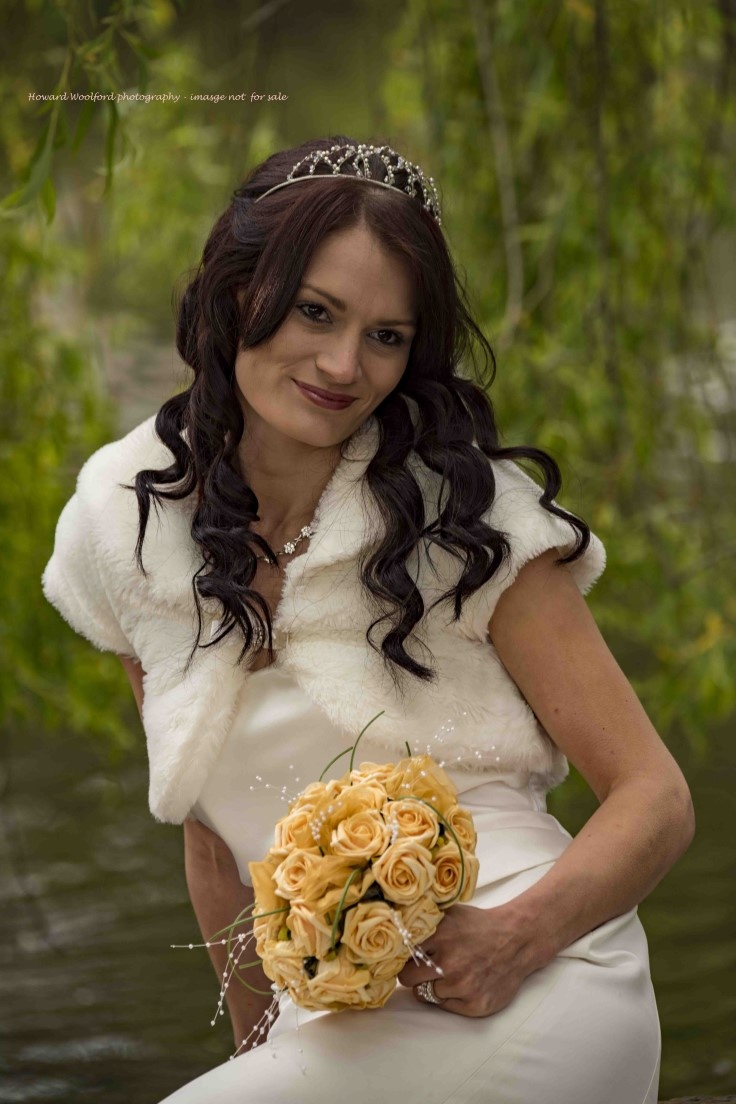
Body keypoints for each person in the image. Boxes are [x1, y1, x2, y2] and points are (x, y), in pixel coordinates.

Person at [41, 136, 694, 1104]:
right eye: (315, 312)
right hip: (339, 1022)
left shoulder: (468, 514)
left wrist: (516, 941)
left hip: (535, 973)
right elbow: (212, 839)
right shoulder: (120, 520)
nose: (343, 365)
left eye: (386, 335)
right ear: (235, 293)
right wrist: (257, 1053)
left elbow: (654, 796)